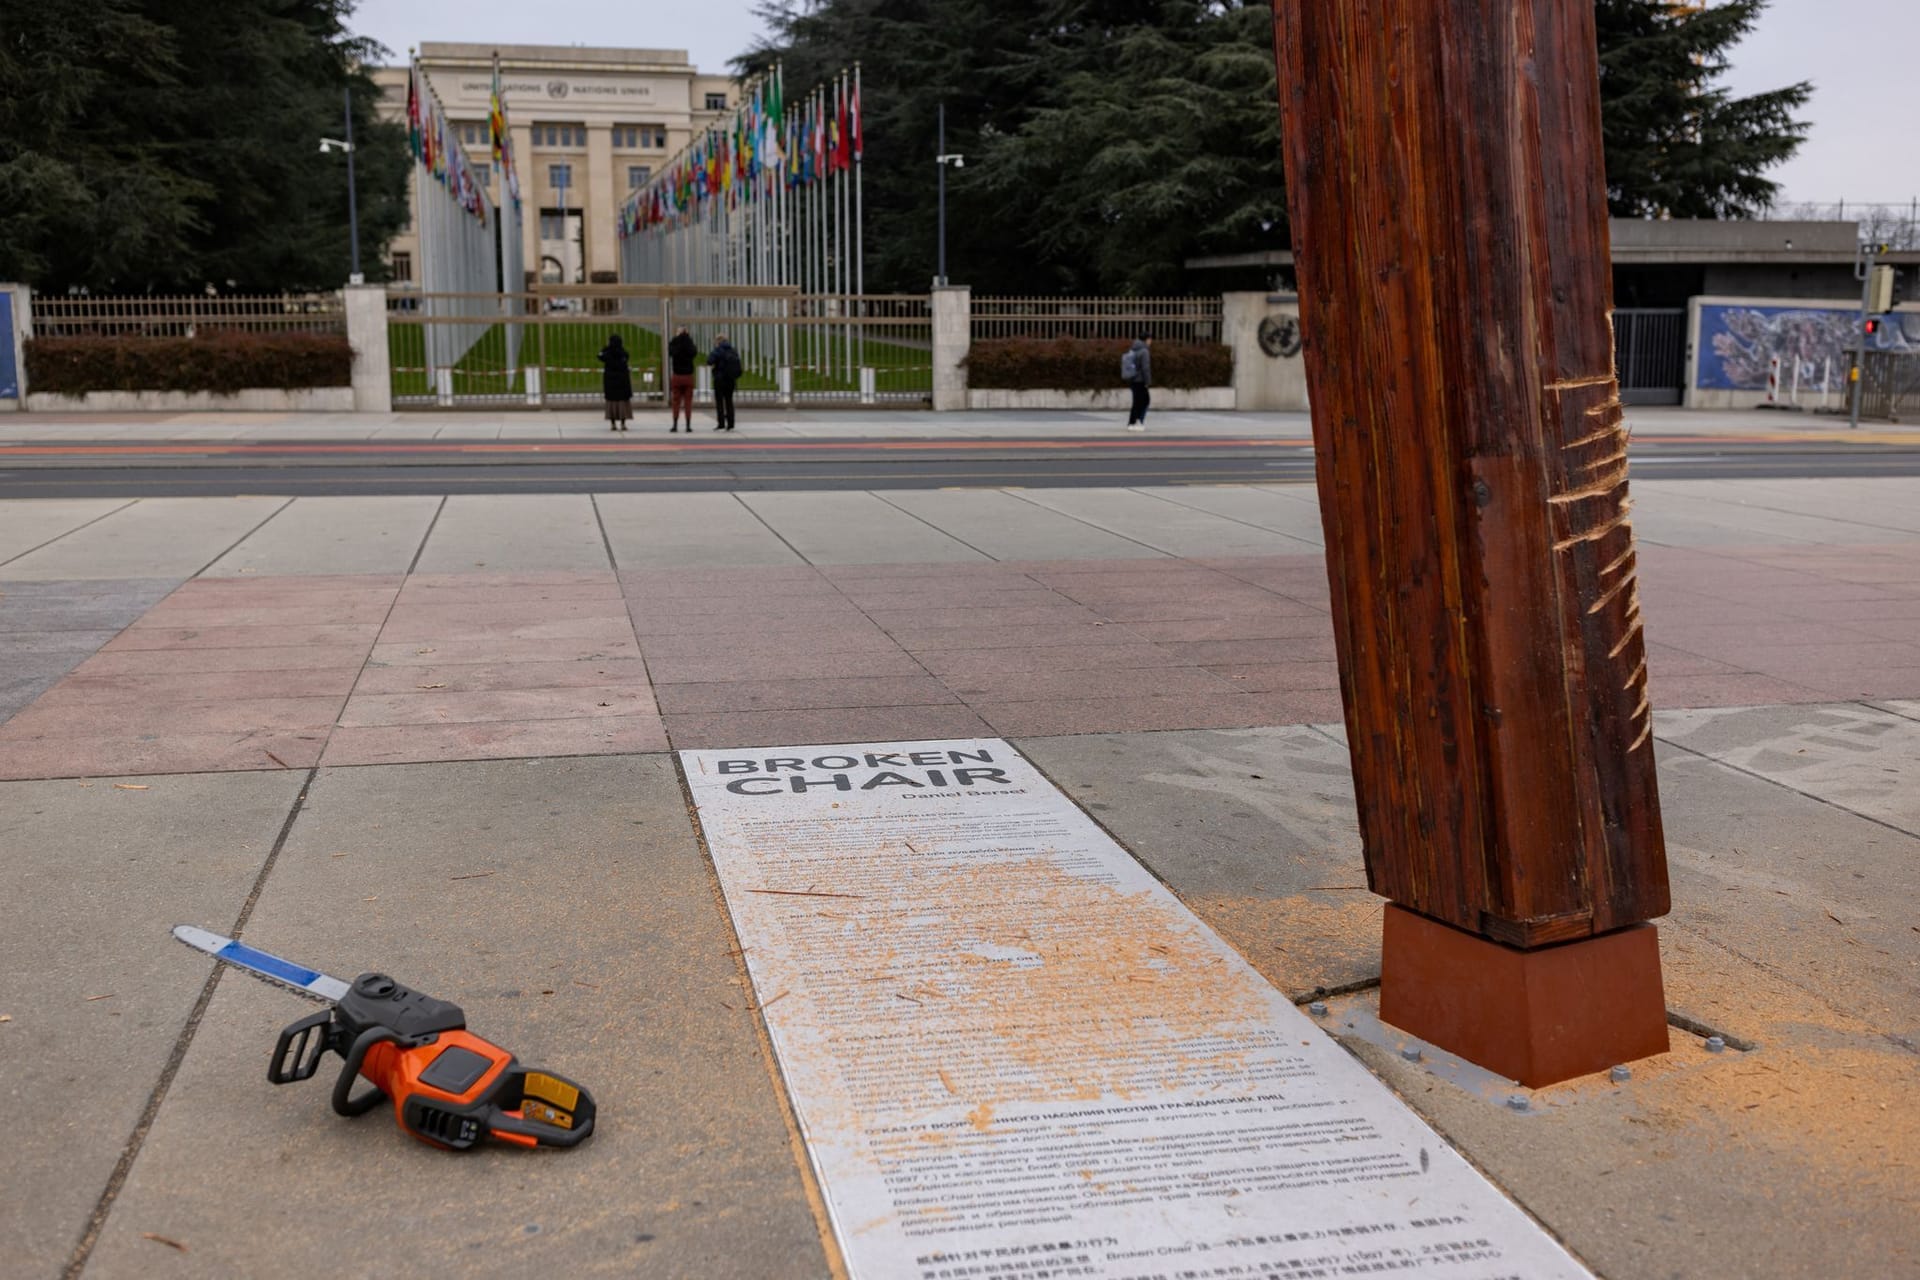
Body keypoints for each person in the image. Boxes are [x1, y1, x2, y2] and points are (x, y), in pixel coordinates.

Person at [666, 326, 699, 432]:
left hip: (677, 375)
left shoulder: (675, 342)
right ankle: (688, 425)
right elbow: (694, 352)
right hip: (688, 376)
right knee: (688, 402)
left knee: (676, 401)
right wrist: (687, 338)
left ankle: (675, 424)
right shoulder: (689, 342)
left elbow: (670, 352)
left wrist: (677, 338)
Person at [707, 333, 742, 432]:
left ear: (718, 341)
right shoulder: (733, 350)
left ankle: (721, 423)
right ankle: (731, 423)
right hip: (730, 379)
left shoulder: (717, 350)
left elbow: (709, 361)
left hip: (719, 379)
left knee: (719, 402)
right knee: (729, 401)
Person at [598, 333, 633, 432]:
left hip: (610, 381)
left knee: (612, 403)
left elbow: (599, 355)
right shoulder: (623, 353)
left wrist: (606, 348)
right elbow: (625, 359)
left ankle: (613, 424)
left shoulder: (607, 353)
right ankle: (623, 424)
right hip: (622, 381)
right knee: (622, 403)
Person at [1124, 333, 1153, 431]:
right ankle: (1137, 421)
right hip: (1140, 380)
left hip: (1133, 379)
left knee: (1137, 402)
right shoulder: (1144, 351)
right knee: (1144, 401)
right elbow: (1145, 368)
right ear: (1146, 340)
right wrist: (1148, 381)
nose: (1151, 342)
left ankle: (1132, 422)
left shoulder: (1133, 349)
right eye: (1150, 339)